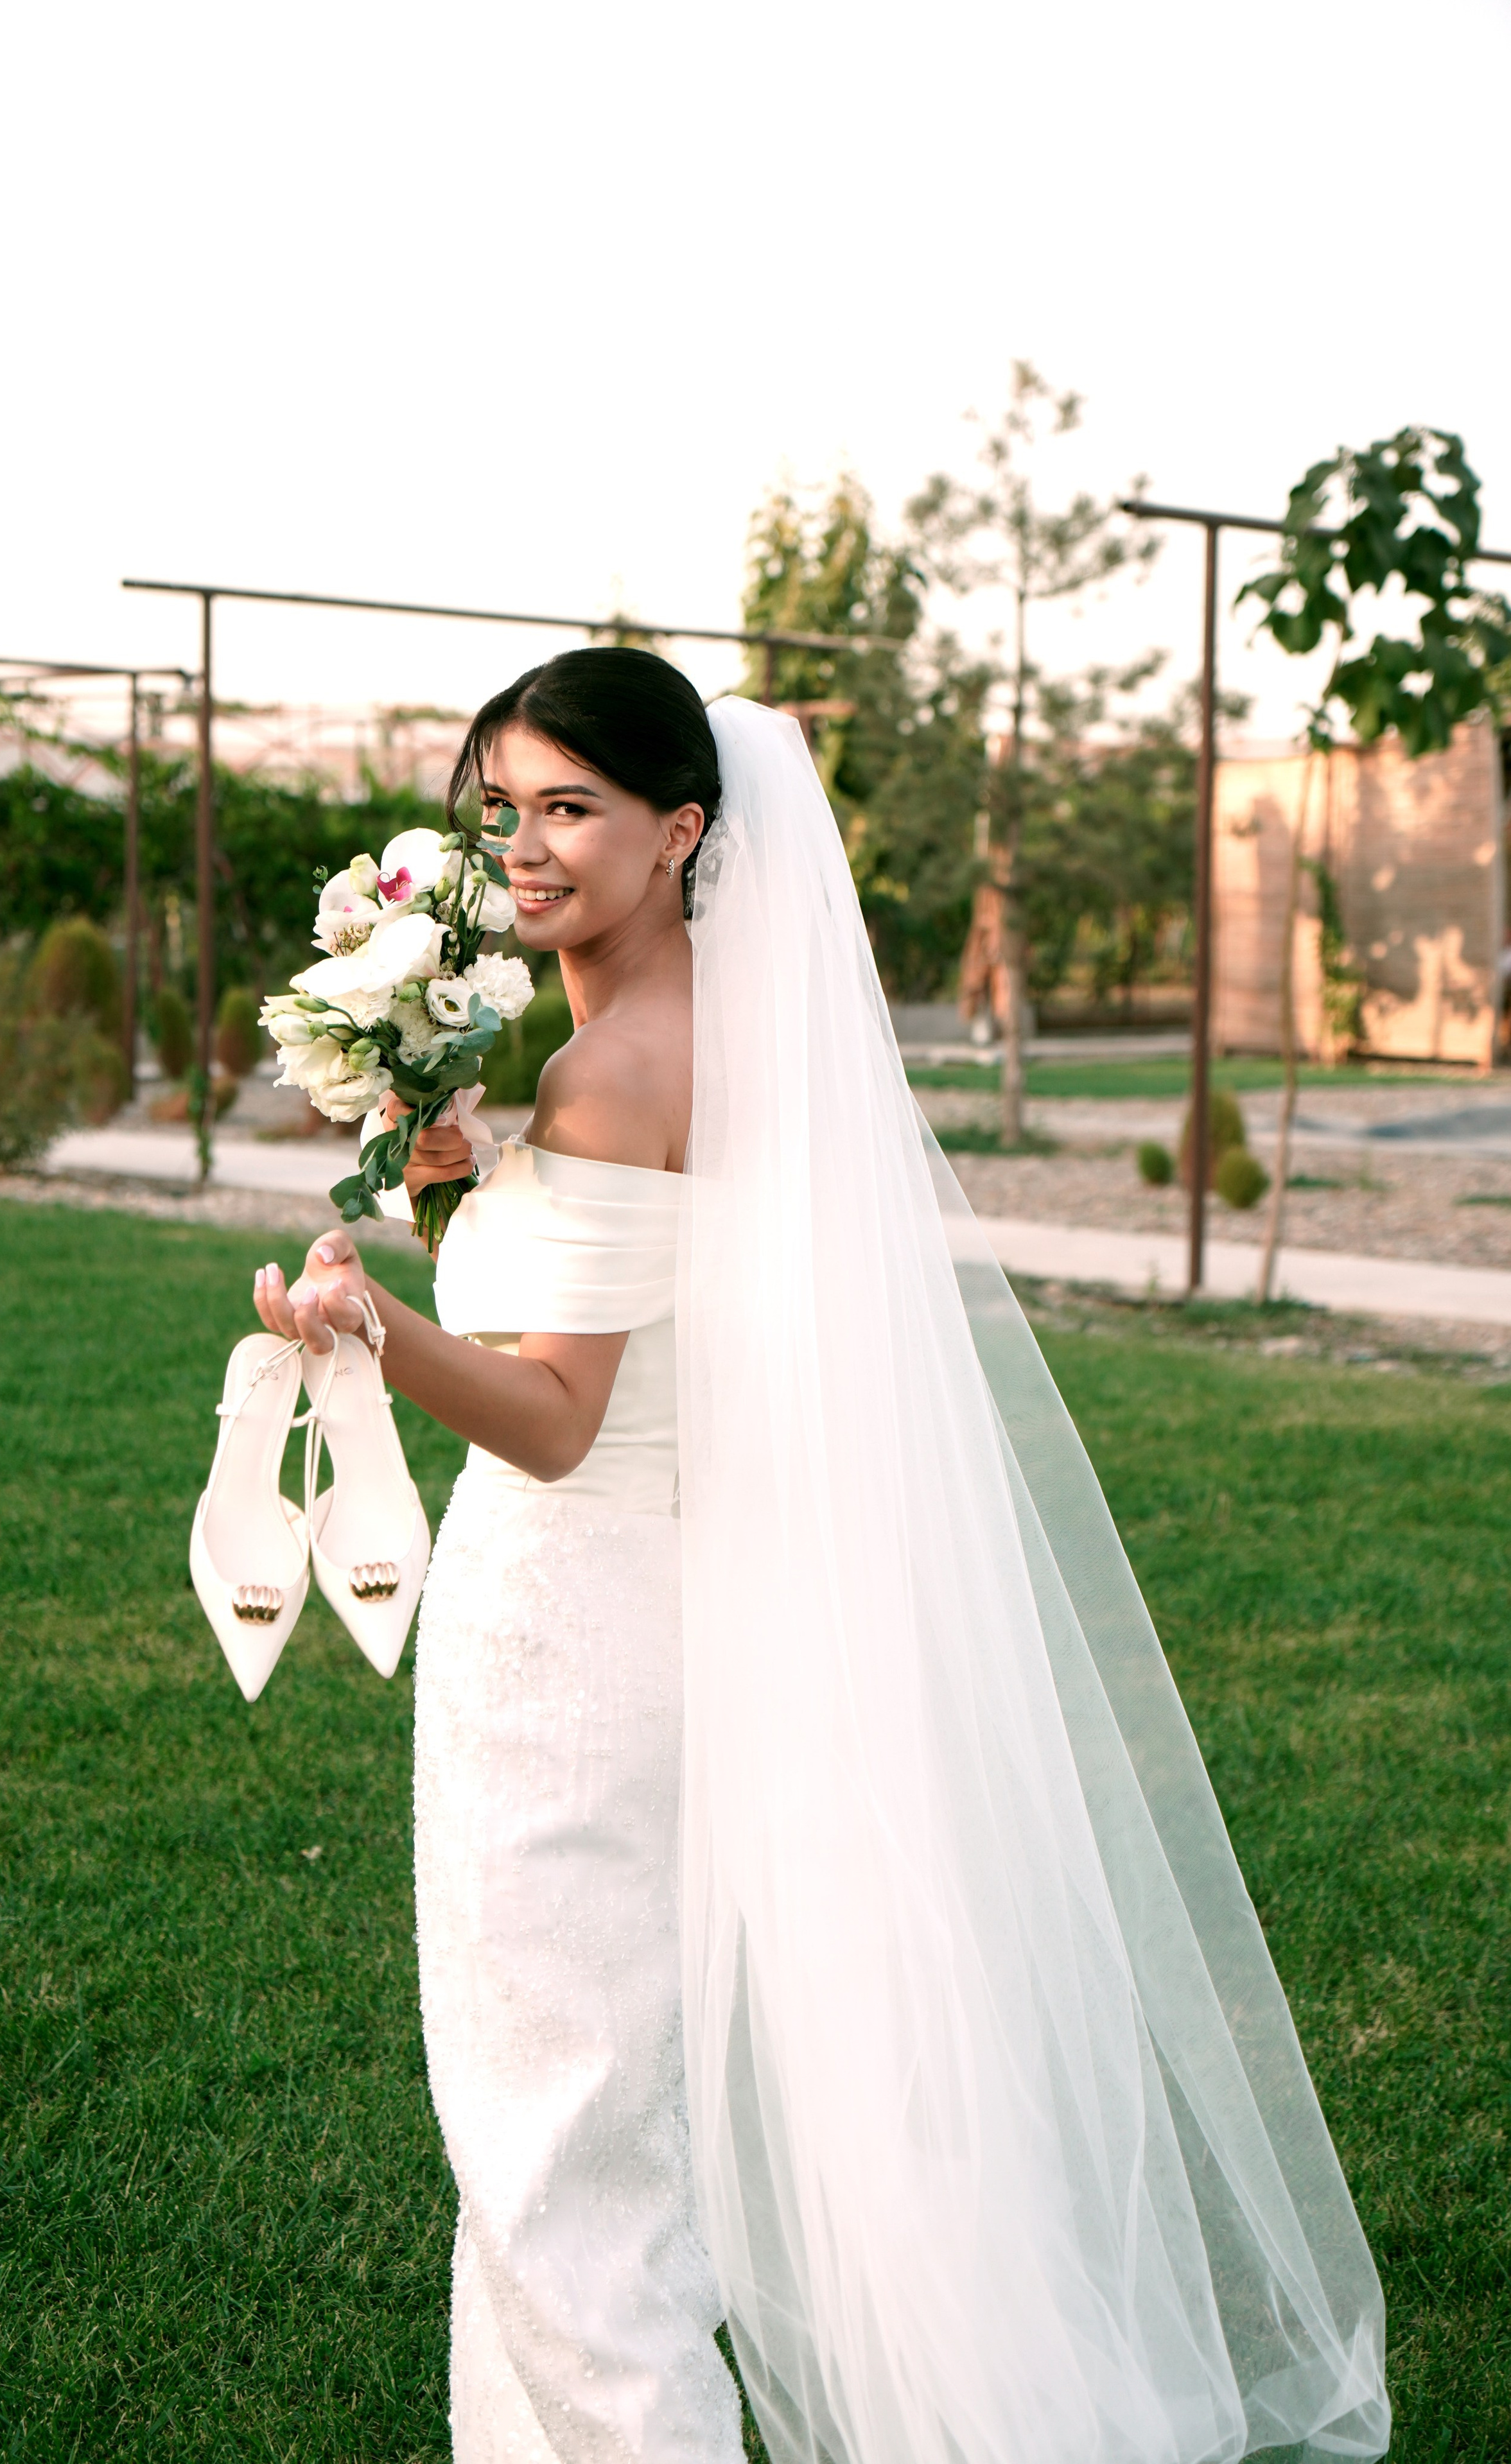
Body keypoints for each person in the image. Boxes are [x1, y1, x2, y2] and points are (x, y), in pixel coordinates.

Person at [254, 648, 1390, 2464]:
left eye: (572, 810)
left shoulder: (622, 1064)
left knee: (557, 2131)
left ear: (681, 828)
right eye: (502, 812)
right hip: (664, 1604)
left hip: (574, 1633)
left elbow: (553, 1417)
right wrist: (471, 1175)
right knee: (604, 2107)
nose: (523, 852)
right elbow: (646, 1316)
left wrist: (365, 1323)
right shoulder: (693, 1034)